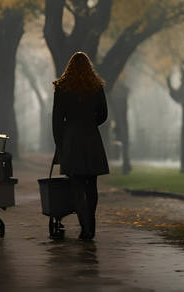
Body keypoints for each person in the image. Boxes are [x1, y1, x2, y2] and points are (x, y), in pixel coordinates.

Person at [52, 52, 109, 240]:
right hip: (91, 138)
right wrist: (90, 123)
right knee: (91, 185)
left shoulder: (62, 88)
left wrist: (60, 144)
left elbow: (57, 120)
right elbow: (103, 114)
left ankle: (84, 227)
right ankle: (91, 226)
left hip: (71, 139)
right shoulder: (96, 87)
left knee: (76, 186)